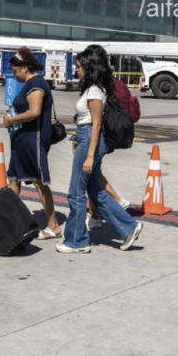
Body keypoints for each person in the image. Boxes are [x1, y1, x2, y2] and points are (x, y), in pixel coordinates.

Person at [57, 49, 143, 254]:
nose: (76, 70)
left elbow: (95, 125)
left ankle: (77, 241)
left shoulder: (95, 90)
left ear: (89, 67)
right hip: (86, 137)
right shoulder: (93, 88)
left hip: (89, 140)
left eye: (79, 66)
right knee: (95, 190)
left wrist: (88, 156)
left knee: (75, 192)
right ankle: (128, 227)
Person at [1, 47, 60, 240]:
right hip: (21, 140)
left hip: (33, 139)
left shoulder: (37, 84)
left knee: (38, 182)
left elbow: (34, 112)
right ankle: (6, 219)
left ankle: (53, 226)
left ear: (25, 67)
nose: (14, 74)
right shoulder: (29, 84)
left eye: (16, 70)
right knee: (14, 179)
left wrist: (12, 119)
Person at [81, 44, 135, 231]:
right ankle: (95, 216)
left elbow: (95, 119)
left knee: (91, 178)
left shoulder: (99, 84)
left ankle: (118, 205)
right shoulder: (117, 82)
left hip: (99, 135)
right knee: (93, 176)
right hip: (112, 134)